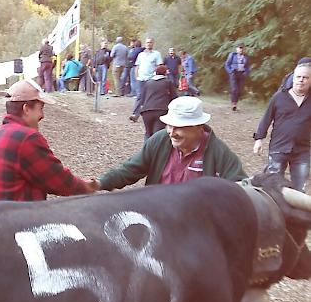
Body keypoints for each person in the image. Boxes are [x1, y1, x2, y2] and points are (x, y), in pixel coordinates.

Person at [0, 79, 98, 202]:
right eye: (41, 108)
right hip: (15, 219)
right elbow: (58, 180)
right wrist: (87, 187)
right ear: (26, 109)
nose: (42, 115)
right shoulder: (26, 138)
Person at [95, 97, 245, 190]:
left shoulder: (218, 152)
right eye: (169, 125)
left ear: (199, 127)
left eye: (179, 127)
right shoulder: (160, 140)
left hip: (197, 223)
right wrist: (99, 183)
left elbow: (241, 187)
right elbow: (131, 169)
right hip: (158, 215)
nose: (171, 132)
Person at [254, 63, 311, 192]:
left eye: (305, 77)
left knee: (299, 189)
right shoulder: (279, 97)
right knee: (272, 186)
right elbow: (266, 119)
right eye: (298, 77)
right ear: (293, 78)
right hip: (278, 147)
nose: (301, 80)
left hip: (302, 150)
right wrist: (259, 139)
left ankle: (294, 212)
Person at [140, 65, 178, 140]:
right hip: (161, 110)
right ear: (165, 73)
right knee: (157, 134)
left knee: (148, 133)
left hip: (146, 110)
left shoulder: (148, 82)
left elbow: (142, 97)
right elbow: (174, 97)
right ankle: (156, 150)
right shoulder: (168, 82)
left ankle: (146, 149)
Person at [130, 37, 162, 122]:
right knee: (139, 96)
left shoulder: (156, 54)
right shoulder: (141, 55)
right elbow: (137, 66)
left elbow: (159, 66)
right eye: (147, 42)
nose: (149, 44)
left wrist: (156, 76)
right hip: (141, 79)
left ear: (153, 43)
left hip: (151, 79)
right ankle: (135, 114)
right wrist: (137, 76)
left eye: (150, 42)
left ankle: (149, 115)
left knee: (150, 97)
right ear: (145, 43)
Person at [224, 42, 250, 111]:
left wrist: (246, 73)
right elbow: (227, 64)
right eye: (239, 48)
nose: (241, 50)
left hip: (241, 74)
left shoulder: (246, 57)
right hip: (234, 73)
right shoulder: (232, 55)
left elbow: (247, 67)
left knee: (239, 90)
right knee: (234, 89)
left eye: (242, 48)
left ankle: (236, 102)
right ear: (236, 49)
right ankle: (234, 104)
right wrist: (230, 72)